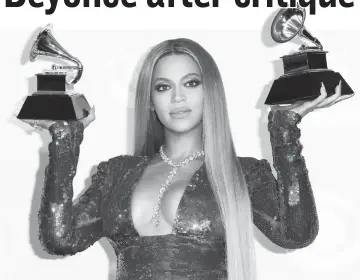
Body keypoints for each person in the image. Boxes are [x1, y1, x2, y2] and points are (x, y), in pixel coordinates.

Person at [22, 38, 352, 280]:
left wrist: (285, 132)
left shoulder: (244, 174)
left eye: (191, 83)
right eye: (163, 87)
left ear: (211, 92)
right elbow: (59, 239)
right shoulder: (116, 173)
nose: (178, 98)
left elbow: (296, 233)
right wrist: (64, 143)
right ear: (150, 101)